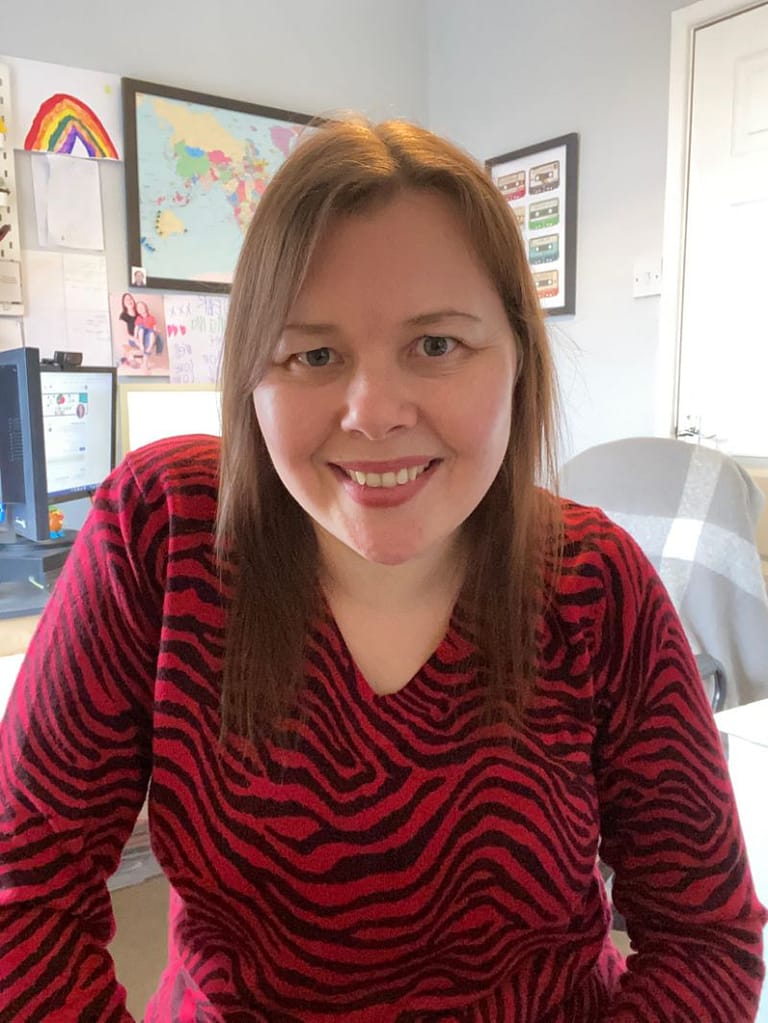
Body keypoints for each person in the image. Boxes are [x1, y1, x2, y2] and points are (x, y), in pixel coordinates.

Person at [0, 117, 765, 1022]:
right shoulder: (162, 536)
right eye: (314, 354)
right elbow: (25, 900)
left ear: (519, 355)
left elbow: (705, 941)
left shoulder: (597, 584)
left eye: (436, 345)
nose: (372, 412)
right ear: (253, 374)